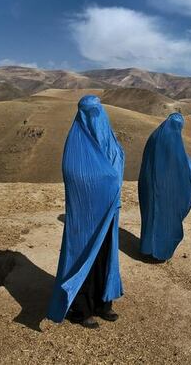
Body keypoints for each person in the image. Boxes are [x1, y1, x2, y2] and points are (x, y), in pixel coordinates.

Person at [47, 95, 124, 328]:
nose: (95, 117)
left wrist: (111, 184)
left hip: (109, 211)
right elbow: (75, 174)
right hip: (85, 215)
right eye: (89, 112)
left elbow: (117, 165)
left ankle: (103, 303)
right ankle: (81, 309)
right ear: (81, 114)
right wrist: (106, 179)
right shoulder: (76, 144)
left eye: (97, 111)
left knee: (105, 255)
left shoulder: (109, 139)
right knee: (83, 256)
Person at [138, 112, 191, 261]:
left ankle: (146, 248)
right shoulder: (175, 141)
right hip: (169, 189)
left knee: (150, 215)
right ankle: (162, 252)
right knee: (167, 218)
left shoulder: (154, 137)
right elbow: (185, 168)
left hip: (150, 186)